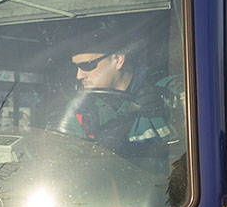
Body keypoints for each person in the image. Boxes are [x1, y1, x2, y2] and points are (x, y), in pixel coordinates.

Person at [65, 26, 183, 163]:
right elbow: (71, 167)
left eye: (87, 66)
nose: (79, 75)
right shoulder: (80, 109)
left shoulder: (170, 90)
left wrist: (172, 111)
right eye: (76, 67)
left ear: (117, 60)